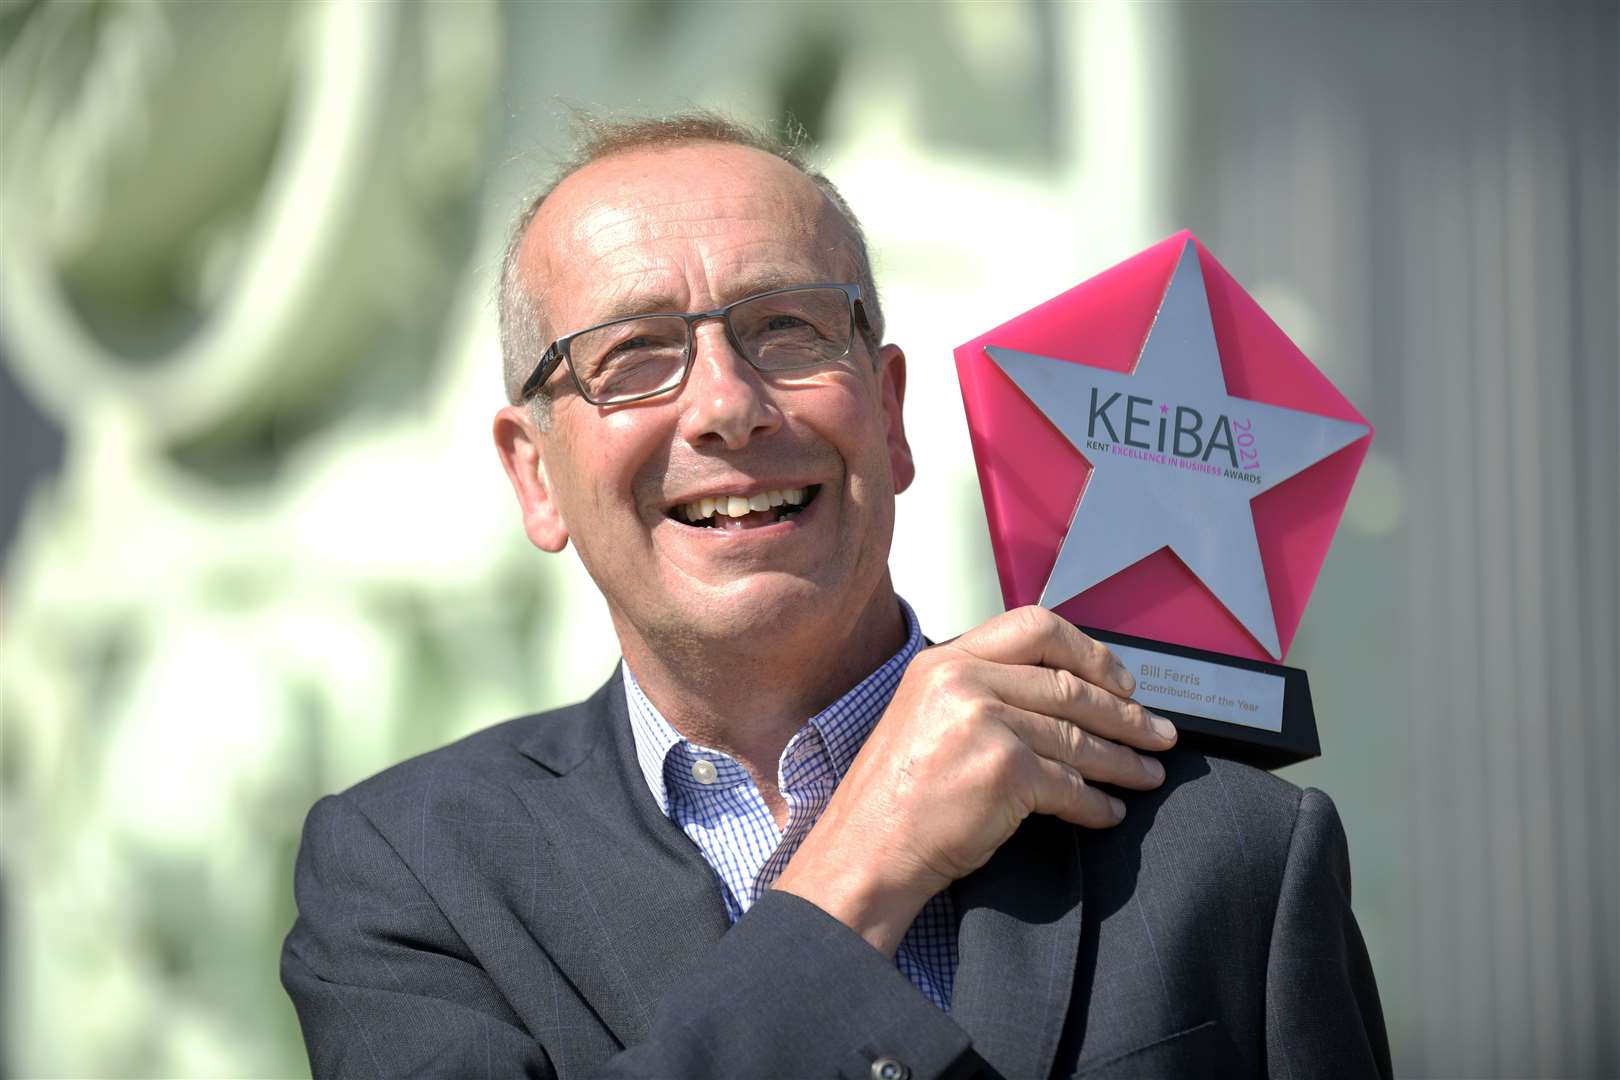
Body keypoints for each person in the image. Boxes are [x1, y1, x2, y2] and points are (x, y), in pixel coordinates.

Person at [281, 112, 1391, 1080]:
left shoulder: (1227, 843)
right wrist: (859, 866)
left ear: (892, 414)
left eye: (788, 329)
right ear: (536, 473)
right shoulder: (407, 875)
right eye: (632, 356)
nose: (726, 405)